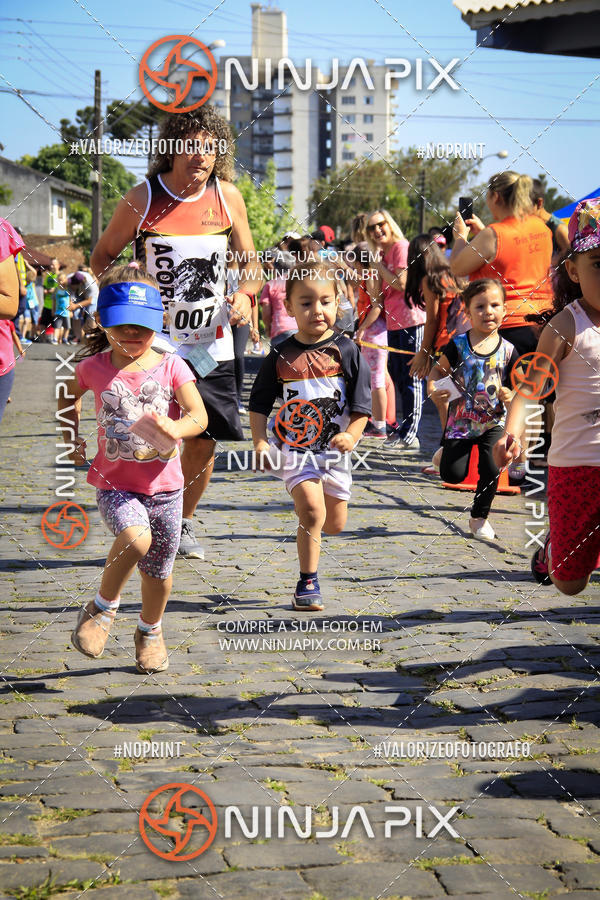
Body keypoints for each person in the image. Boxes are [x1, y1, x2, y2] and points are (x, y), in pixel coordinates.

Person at [90, 107, 261, 560]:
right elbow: (103, 256)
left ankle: (179, 519)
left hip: (211, 343)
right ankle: (138, 511)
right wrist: (126, 296)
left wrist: (245, 294)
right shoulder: (143, 197)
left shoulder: (228, 198)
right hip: (153, 343)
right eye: (191, 145)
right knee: (148, 432)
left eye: (210, 147)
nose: (200, 155)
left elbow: (251, 265)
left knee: (204, 437)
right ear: (170, 148)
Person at [59, 264, 207, 672]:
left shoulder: (173, 365)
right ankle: (101, 611)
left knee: (159, 574)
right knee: (135, 539)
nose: (132, 335)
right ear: (102, 321)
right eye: (121, 325)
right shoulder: (92, 368)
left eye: (141, 325)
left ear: (158, 322)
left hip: (167, 490)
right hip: (116, 485)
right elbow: (66, 396)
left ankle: (150, 630)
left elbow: (199, 416)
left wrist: (175, 426)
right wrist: (72, 437)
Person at [249, 258, 371, 611]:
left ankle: (313, 525)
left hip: (335, 455)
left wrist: (351, 436)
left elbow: (362, 406)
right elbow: (258, 403)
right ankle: (308, 582)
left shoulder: (348, 350)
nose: (317, 310)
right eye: (306, 303)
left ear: (338, 302)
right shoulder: (280, 354)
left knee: (333, 523)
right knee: (312, 511)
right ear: (288, 307)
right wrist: (259, 441)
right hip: (295, 450)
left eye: (325, 302)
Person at [496, 198, 600, 594]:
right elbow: (527, 391)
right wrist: (513, 434)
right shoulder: (566, 326)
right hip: (576, 465)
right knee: (569, 583)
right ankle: (556, 546)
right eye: (599, 265)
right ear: (573, 270)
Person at [451, 172, 553, 481]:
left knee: (507, 397)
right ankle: (528, 461)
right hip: (544, 324)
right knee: (533, 394)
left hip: (508, 326)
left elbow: (457, 266)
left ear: (496, 197)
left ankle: (507, 461)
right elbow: (516, 259)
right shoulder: (541, 227)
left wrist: (459, 237)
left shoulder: (494, 234)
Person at [428, 279, 518, 542]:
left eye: (494, 305)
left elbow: (518, 387)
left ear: (504, 310)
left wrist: (510, 394)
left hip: (493, 422)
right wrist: (435, 387)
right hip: (461, 422)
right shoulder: (458, 345)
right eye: (480, 307)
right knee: (452, 475)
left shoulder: (510, 350)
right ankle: (443, 455)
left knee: (492, 468)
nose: (488, 311)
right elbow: (437, 371)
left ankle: (479, 518)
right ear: (467, 312)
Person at [365, 208, 424, 451]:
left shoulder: (400, 246)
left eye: (380, 224)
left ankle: (411, 435)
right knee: (399, 379)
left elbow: (401, 283)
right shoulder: (381, 255)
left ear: (390, 224)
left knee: (412, 380)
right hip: (393, 322)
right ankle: (403, 431)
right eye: (371, 228)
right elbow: (376, 297)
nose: (377, 230)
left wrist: (379, 268)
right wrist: (373, 270)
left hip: (412, 319)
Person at [352, 243, 388, 438]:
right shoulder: (368, 276)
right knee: (374, 380)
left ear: (359, 261)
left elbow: (377, 306)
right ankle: (376, 421)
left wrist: (362, 328)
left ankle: (380, 425)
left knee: (376, 380)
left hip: (375, 332)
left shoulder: (372, 276)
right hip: (372, 331)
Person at [259, 249, 297, 347]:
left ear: (275, 267)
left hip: (280, 329)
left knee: (278, 361)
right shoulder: (300, 283)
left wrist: (268, 328)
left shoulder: (271, 285)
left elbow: (266, 312)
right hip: (299, 329)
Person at [40, 258, 60, 342]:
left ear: (58, 265)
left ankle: (57, 340)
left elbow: (62, 287)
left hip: (56, 305)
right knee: (43, 323)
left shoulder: (60, 276)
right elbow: (44, 286)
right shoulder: (48, 275)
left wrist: (54, 290)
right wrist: (45, 290)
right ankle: (42, 339)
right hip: (47, 303)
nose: (52, 266)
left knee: (57, 324)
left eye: (53, 264)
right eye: (51, 264)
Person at [53, 274, 71, 345]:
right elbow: (54, 300)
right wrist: (53, 309)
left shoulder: (68, 289)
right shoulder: (56, 290)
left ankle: (65, 338)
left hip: (66, 312)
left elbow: (70, 300)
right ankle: (55, 338)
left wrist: (71, 310)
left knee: (67, 326)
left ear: (65, 280)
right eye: (59, 280)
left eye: (62, 280)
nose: (61, 282)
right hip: (58, 311)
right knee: (57, 326)